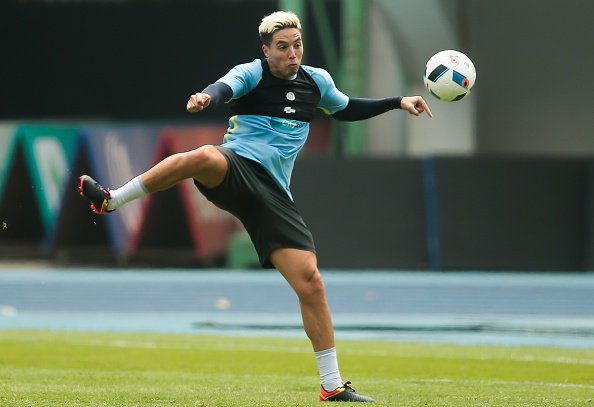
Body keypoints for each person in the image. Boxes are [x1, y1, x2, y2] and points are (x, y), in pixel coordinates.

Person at [78, 10, 432, 402]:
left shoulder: (318, 82)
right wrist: (206, 97)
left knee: (311, 283)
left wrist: (399, 101)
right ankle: (113, 200)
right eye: (282, 47)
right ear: (267, 51)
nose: (292, 53)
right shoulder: (252, 72)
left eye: (297, 45)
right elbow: (224, 87)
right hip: (236, 168)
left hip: (274, 195)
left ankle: (332, 386)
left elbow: (346, 108)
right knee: (203, 157)